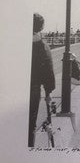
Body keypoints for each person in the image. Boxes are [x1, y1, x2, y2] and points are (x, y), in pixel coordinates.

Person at [28, 13, 56, 147]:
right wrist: (48, 92)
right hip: (33, 88)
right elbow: (48, 71)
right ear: (41, 27)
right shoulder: (42, 46)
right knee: (30, 124)